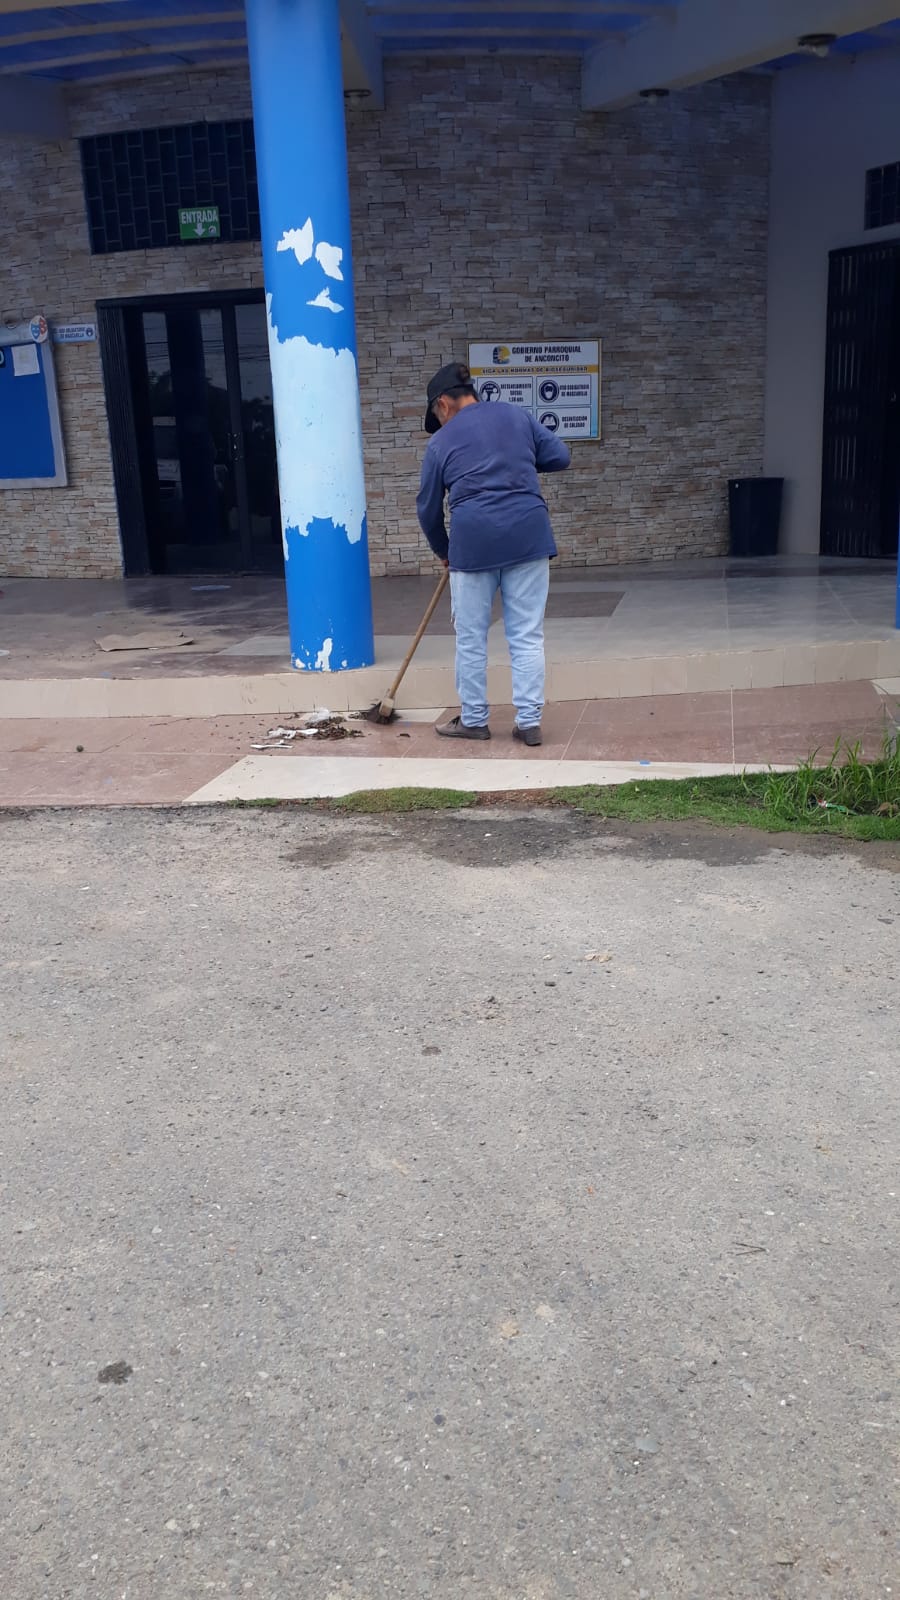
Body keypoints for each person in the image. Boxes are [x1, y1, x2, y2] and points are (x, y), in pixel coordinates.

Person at [416, 361, 571, 746]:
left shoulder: (441, 442)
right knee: (527, 635)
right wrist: (516, 460)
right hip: (529, 536)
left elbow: (428, 510)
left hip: (474, 544)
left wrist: (444, 551)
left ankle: (473, 721)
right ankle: (529, 723)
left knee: (471, 638)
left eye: (437, 414)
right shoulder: (517, 416)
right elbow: (560, 456)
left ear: (443, 404)